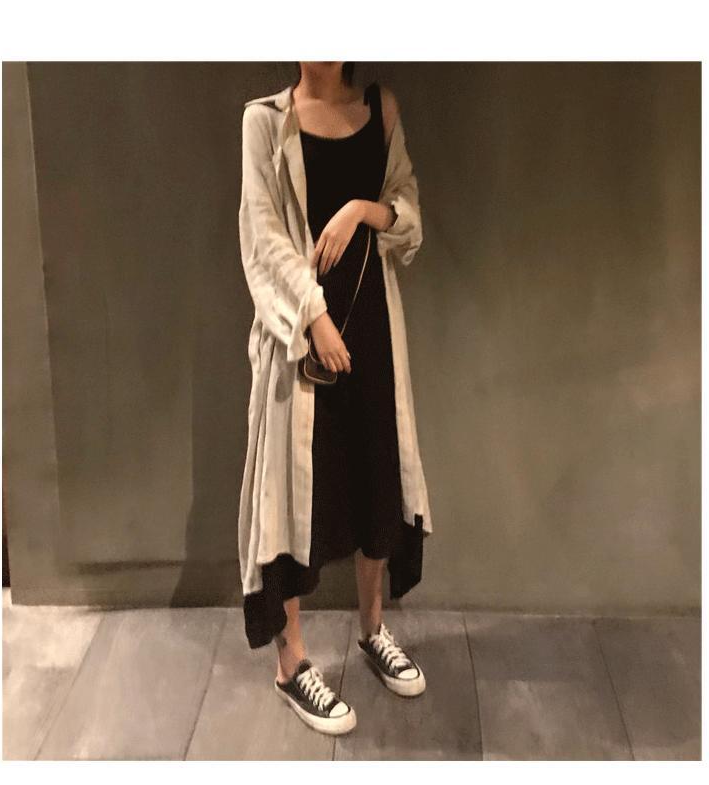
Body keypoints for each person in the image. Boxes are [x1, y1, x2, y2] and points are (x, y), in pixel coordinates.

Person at [238, 62, 433, 736]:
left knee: (375, 478)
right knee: (293, 497)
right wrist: (313, 316)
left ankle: (372, 630)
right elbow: (262, 238)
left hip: (373, 328)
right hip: (299, 340)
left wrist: (361, 210)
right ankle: (291, 664)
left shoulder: (381, 109)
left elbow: (408, 213)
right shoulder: (266, 121)